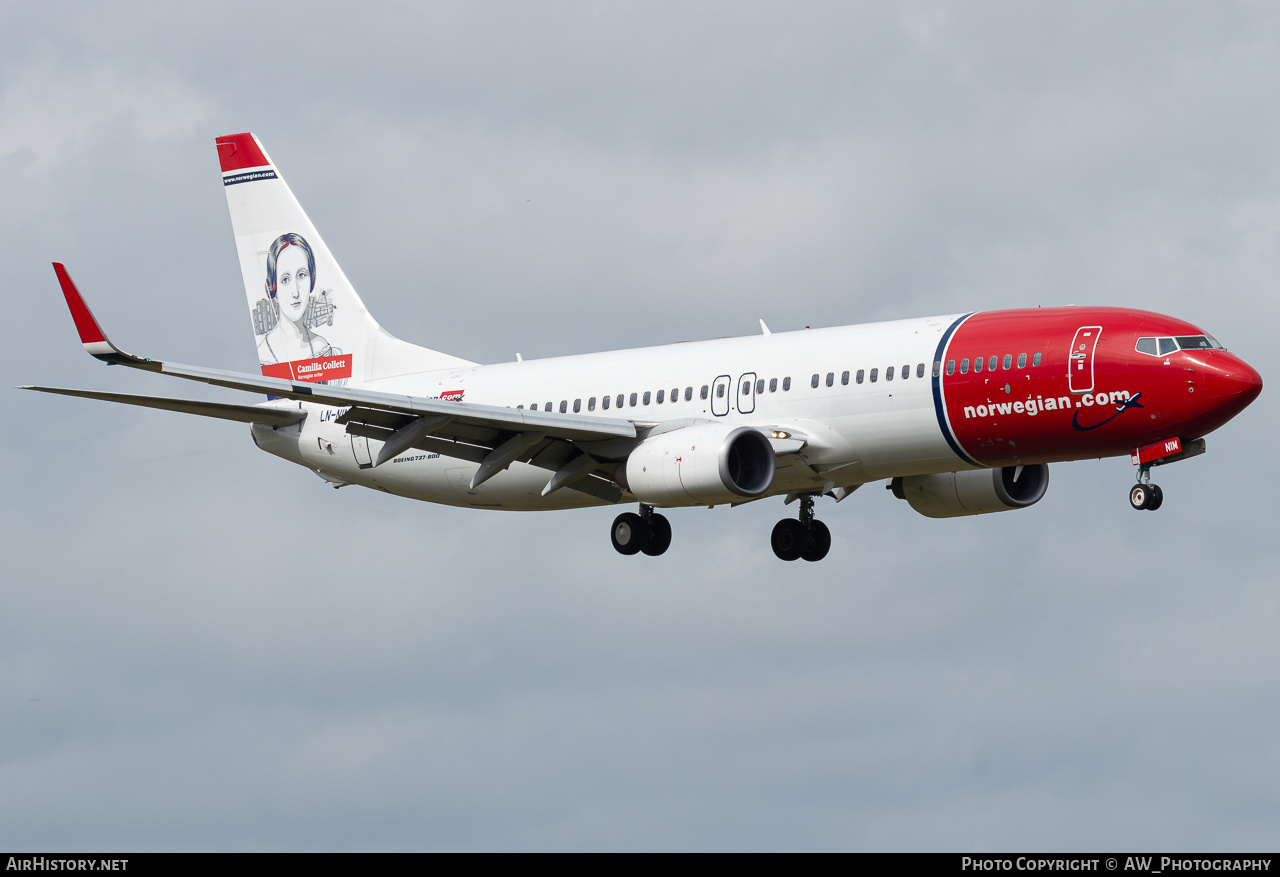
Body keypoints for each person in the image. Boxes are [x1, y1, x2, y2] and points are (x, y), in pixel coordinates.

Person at [254, 232, 342, 367]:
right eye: (285, 280)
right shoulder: (265, 356)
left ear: (311, 279)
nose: (295, 292)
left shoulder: (323, 348)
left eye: (301, 275)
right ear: (272, 287)